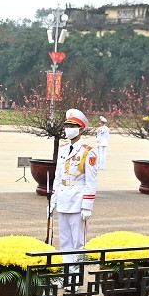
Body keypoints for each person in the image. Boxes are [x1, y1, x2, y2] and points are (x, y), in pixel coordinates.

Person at [50, 109, 98, 264]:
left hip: (78, 201)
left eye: (72, 125)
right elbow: (58, 176)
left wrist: (87, 206)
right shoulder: (63, 149)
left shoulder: (88, 152)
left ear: (81, 129)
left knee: (78, 243)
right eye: (67, 125)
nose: (68, 128)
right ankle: (66, 275)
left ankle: (75, 279)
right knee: (64, 241)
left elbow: (91, 182)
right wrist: (53, 199)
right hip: (63, 199)